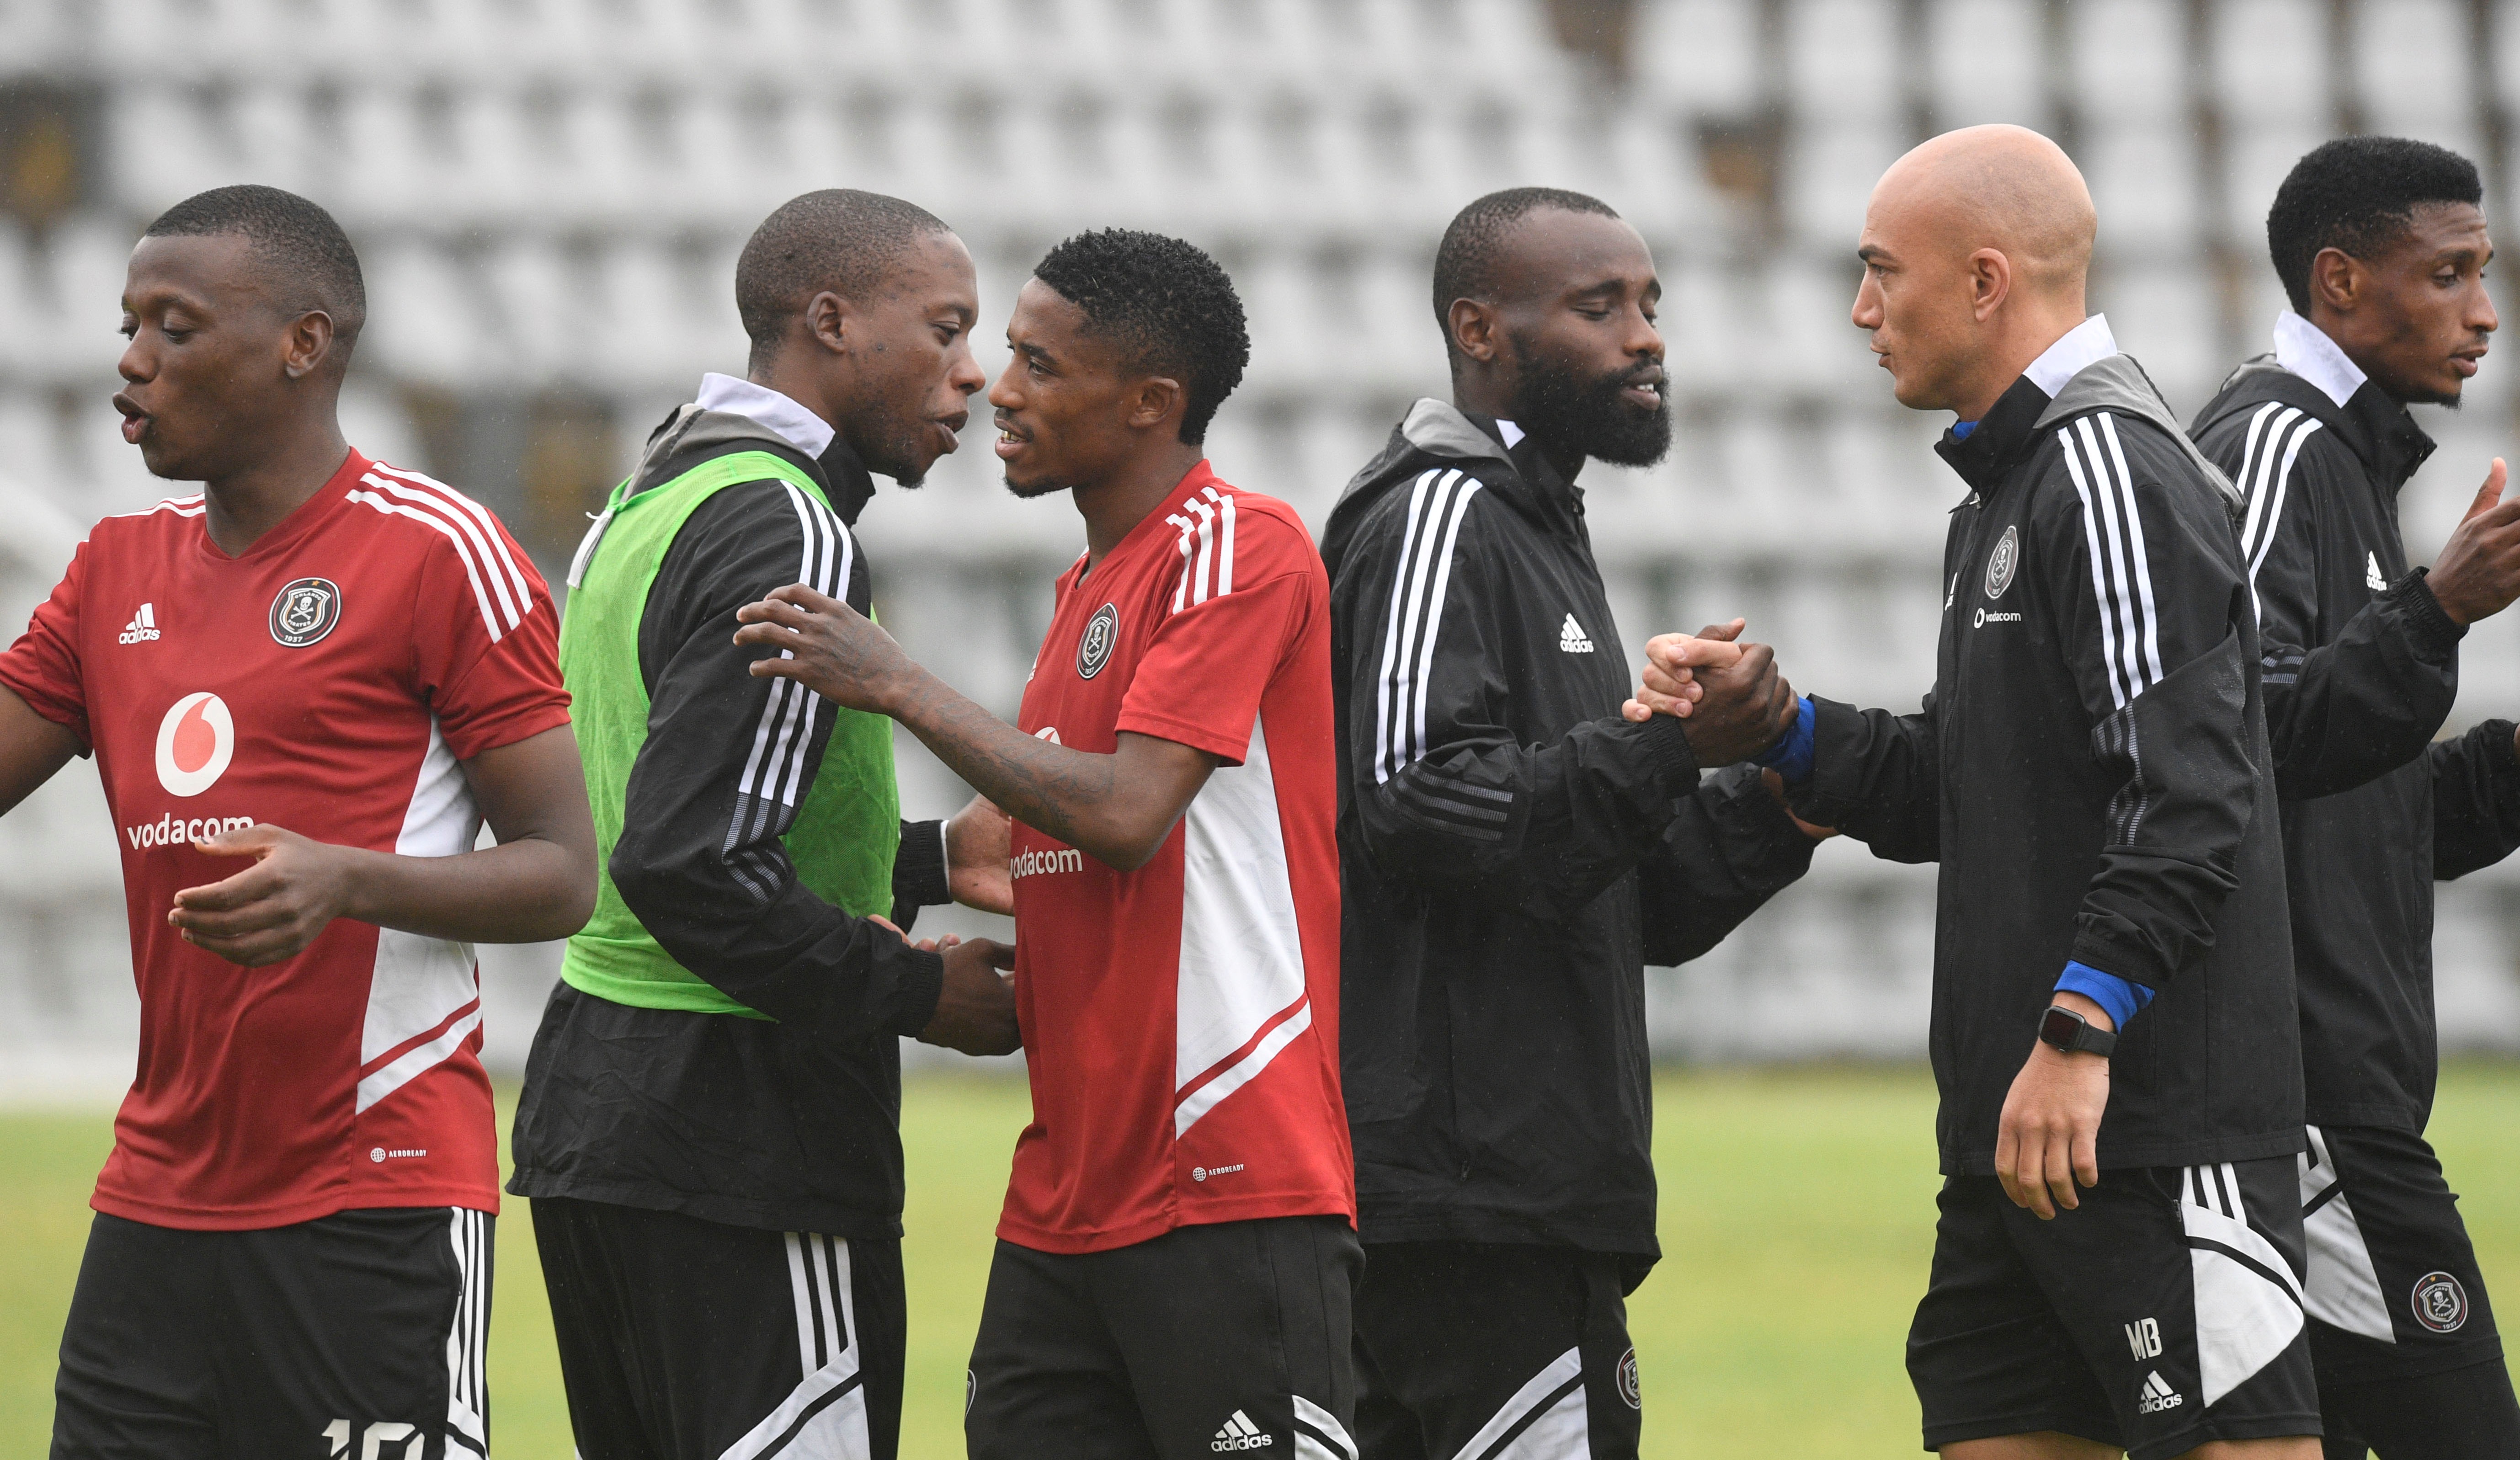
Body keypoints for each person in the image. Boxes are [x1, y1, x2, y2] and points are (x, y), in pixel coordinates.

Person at [1639, 126, 2318, 1459]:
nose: (1859, 308)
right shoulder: (2008, 486)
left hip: (2141, 1127)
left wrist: (2080, 1030)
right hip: (2016, 1142)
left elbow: (2190, 791)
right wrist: (1775, 726)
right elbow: (1972, 787)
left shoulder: (2107, 468)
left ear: (1987, 282)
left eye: (1883, 271)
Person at [729, 228, 1360, 1460]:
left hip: (1228, 1173)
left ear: (1148, 403)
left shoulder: (1241, 543)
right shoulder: (1089, 587)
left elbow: (1125, 814)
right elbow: (1070, 847)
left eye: (1035, 363)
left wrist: (902, 687)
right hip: (1068, 1192)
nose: (996, 391)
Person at [5, 185, 594, 1458]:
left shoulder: (440, 549)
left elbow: (560, 875)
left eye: (174, 324)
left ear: (303, 341)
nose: (130, 358)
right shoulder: (112, 570)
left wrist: (346, 880)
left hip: (372, 1188)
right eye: (126, 324)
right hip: (157, 1198)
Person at [505, 189, 1020, 1460]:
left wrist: (926, 860)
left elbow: (665, 797)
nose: (974, 375)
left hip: (604, 1113)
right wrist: (914, 990)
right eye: (945, 328)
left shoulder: (656, 490)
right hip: (738, 1123)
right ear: (832, 320)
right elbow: (689, 862)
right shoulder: (786, 518)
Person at [1313, 185, 1817, 1460]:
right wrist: (1656, 743)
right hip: (1463, 1189)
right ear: (1479, 328)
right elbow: (1415, 803)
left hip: (1521, 1192)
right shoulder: (1438, 511)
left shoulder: (1536, 524)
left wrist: (1779, 798)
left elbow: (1607, 893)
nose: (1645, 336)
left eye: (1650, 304)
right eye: (1600, 307)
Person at [2187, 137, 2520, 1460]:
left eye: (2482, 275)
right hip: (2304, 1098)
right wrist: (2432, 607)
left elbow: (2357, 808)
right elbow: (2230, 742)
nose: (2482, 312)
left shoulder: (2346, 458)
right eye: (2445, 276)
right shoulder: (2272, 445)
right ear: (2338, 282)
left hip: (2337, 1081)